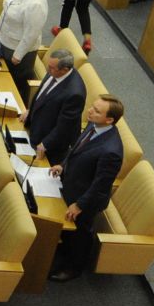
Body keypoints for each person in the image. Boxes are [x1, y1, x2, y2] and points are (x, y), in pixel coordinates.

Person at [48, 94, 125, 281]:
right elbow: (76, 149)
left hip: (86, 199)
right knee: (70, 232)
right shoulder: (94, 125)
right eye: (92, 107)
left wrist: (80, 205)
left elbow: (101, 185)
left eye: (96, 111)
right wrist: (63, 165)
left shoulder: (111, 150)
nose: (90, 111)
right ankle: (64, 249)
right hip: (73, 184)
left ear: (109, 119)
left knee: (81, 234)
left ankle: (73, 268)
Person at [0, 0, 52, 95]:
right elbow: (7, 7)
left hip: (17, 50)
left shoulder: (37, 4)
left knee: (13, 83)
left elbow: (31, 33)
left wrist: (18, 55)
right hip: (4, 38)